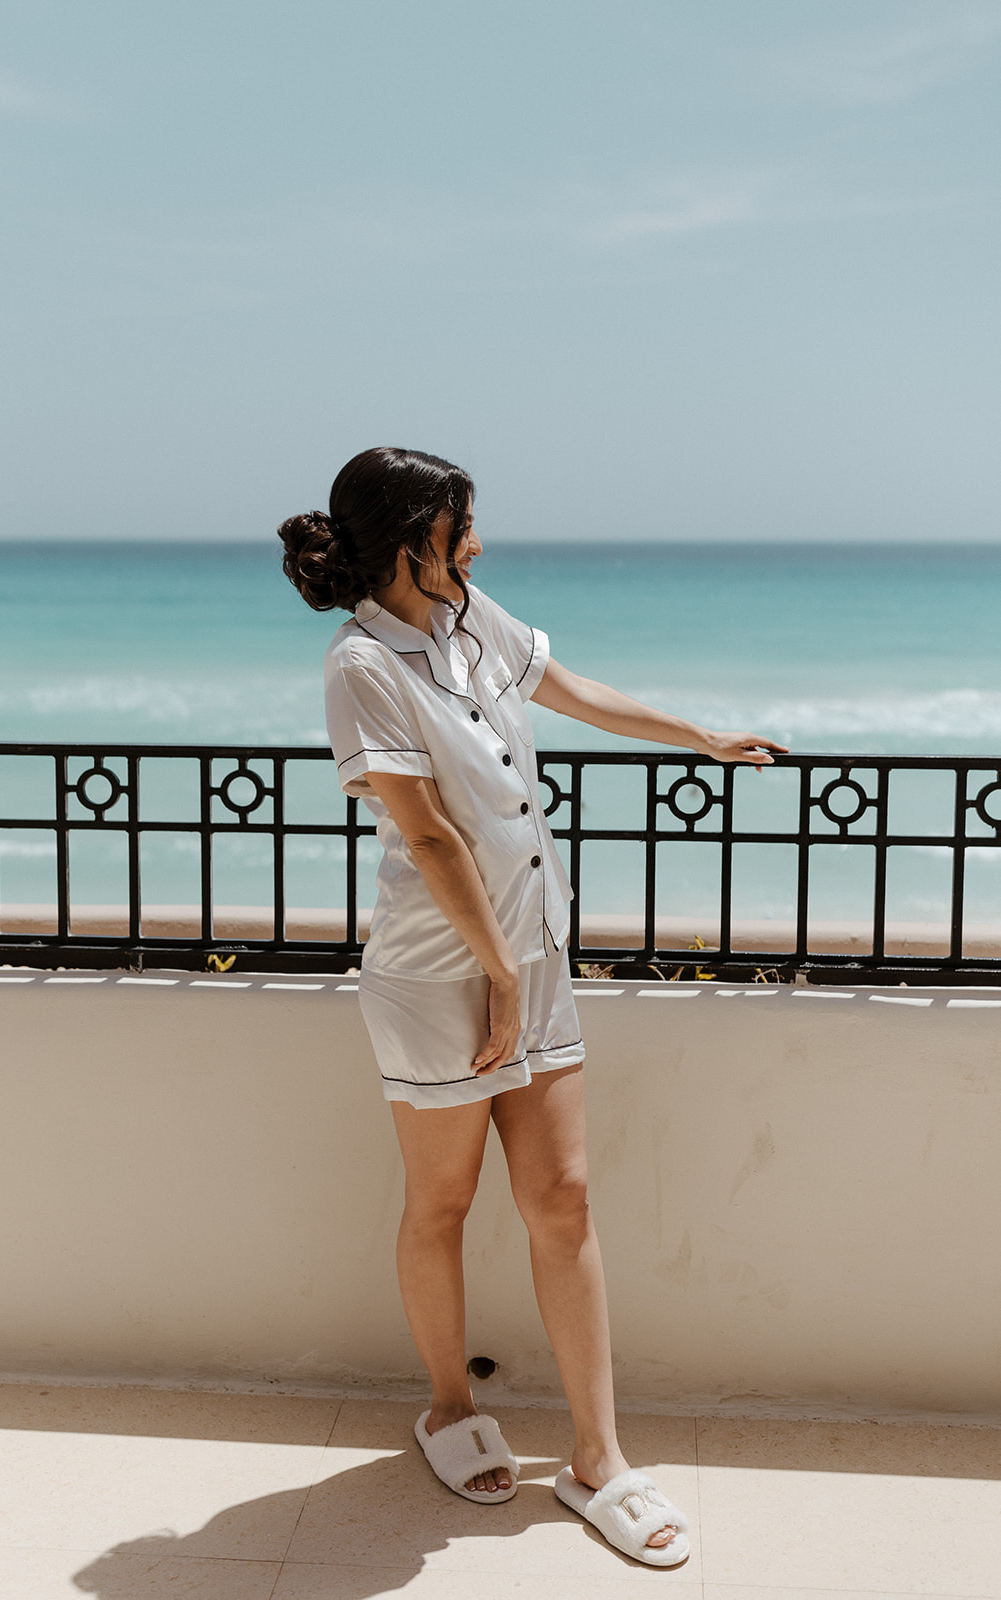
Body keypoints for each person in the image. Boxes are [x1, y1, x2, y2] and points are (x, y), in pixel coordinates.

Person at [278, 447, 786, 1569]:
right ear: (411, 536)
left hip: (531, 956)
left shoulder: (469, 619)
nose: (475, 543)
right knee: (443, 1202)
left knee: (560, 1197)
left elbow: (564, 686)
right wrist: (496, 975)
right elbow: (425, 833)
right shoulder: (362, 660)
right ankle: (449, 1407)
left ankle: (598, 1459)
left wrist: (696, 733)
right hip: (441, 972)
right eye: (460, 526)